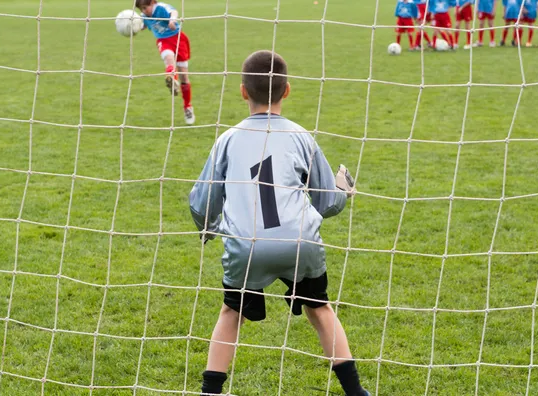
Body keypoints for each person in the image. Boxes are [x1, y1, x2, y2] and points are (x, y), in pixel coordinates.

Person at [189, 50, 369, 396]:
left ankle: (210, 391)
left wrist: (208, 227)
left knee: (231, 312)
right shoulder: (302, 137)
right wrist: (344, 191)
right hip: (298, 242)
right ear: (287, 91)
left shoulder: (227, 139)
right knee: (319, 309)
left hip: (247, 244)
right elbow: (327, 202)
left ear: (243, 91)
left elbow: (201, 201)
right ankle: (356, 391)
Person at [136, 0, 195, 124]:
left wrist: (172, 20)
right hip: (163, 41)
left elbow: (173, 11)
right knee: (169, 59)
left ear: (152, 3)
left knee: (184, 77)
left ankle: (187, 107)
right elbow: (145, 25)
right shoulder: (144, 16)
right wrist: (136, 27)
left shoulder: (161, 8)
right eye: (141, 9)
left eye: (145, 8)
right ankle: (171, 78)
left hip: (178, 39)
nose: (143, 11)